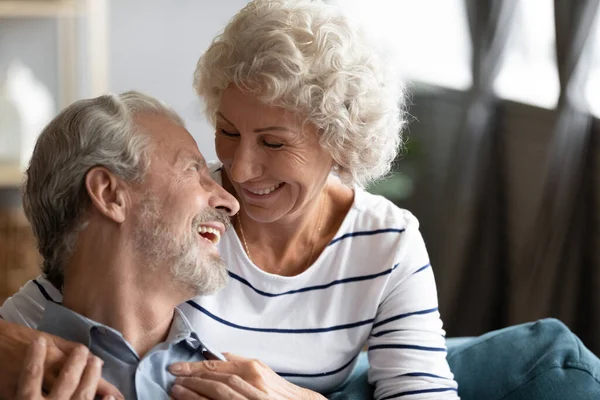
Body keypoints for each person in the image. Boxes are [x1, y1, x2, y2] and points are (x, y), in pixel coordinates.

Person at [3, 1, 600, 400]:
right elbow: (82, 275)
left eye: (274, 142)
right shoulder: (180, 219)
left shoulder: (387, 241)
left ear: (340, 144)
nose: (237, 173)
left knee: (550, 358)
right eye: (227, 133)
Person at [2, 91, 246, 399]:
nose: (230, 202)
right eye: (193, 170)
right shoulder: (8, 371)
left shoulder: (242, 385)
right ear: (109, 194)